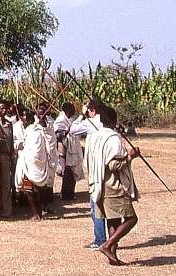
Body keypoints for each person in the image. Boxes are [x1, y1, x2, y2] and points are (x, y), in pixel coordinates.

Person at [90, 105, 140, 266]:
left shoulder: (95, 136)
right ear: (114, 120)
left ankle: (113, 255)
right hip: (113, 185)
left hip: (98, 182)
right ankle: (107, 245)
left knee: (113, 220)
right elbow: (113, 165)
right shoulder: (112, 138)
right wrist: (131, 156)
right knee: (131, 219)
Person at [79, 98, 107, 249]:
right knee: (105, 205)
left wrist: (82, 115)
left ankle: (100, 240)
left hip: (96, 170)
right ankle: (109, 239)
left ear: (92, 110)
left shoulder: (90, 123)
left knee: (95, 205)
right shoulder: (106, 122)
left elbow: (73, 129)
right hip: (105, 168)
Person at [54, 102, 84, 201]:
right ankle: (66, 194)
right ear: (67, 110)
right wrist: (68, 130)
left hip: (71, 149)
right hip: (64, 150)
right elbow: (58, 135)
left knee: (71, 172)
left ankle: (70, 193)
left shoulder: (69, 119)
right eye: (72, 109)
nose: (73, 111)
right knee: (67, 172)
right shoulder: (61, 120)